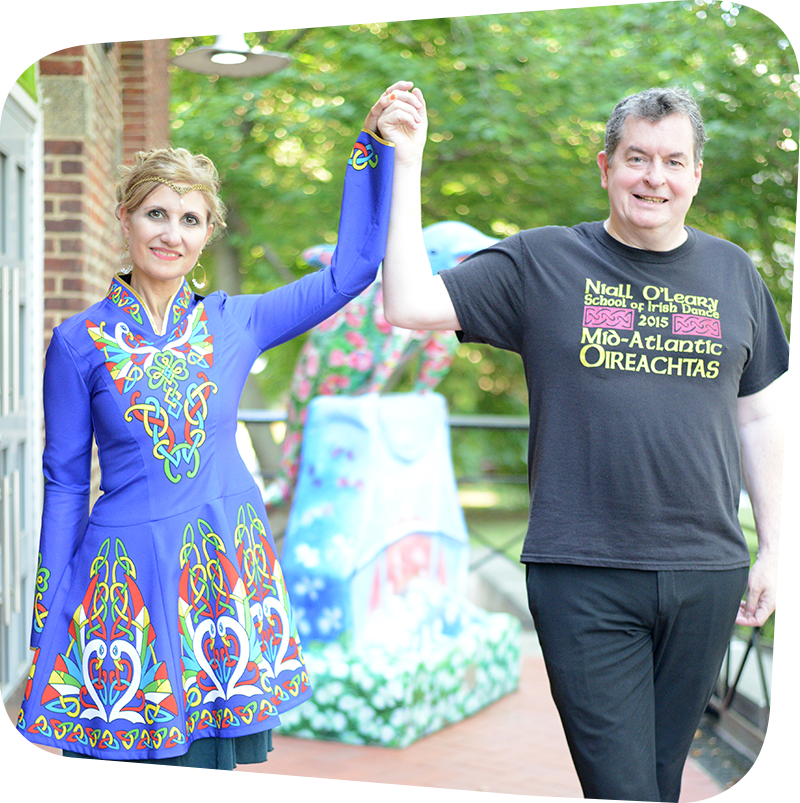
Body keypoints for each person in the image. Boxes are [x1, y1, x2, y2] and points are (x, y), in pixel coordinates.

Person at [368, 81, 795, 802]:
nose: (652, 177)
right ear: (605, 167)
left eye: (671, 161)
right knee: (624, 790)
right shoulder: (542, 264)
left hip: (706, 570)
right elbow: (407, 302)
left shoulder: (735, 275)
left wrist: (774, 553)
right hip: (582, 571)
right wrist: (405, 163)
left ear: (696, 174)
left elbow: (757, 417)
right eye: (635, 158)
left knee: (658, 783)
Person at [15, 86, 403, 803]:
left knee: (189, 787)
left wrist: (371, 149)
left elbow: (353, 270)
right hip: (124, 582)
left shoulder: (236, 322)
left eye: (190, 219)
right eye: (157, 213)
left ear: (206, 234)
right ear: (125, 217)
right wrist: (50, 607)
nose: (172, 232)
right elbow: (65, 480)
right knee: (165, 789)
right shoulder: (77, 342)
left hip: (219, 575)